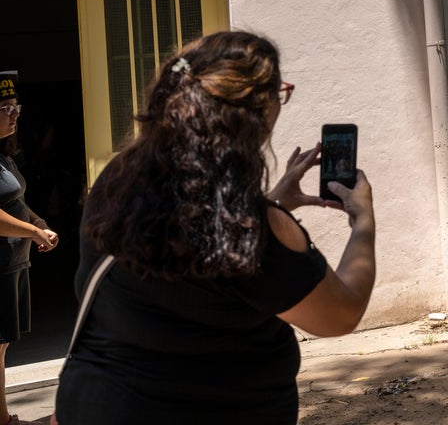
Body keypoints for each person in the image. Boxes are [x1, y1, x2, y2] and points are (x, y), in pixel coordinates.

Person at [53, 32, 376, 424]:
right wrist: (362, 221)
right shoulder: (246, 227)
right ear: (253, 112)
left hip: (97, 405)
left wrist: (273, 202)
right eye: (279, 93)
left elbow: (192, 242)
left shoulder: (117, 182)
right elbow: (341, 314)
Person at [0, 71, 58, 425]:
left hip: (12, 263)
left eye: (15, 106)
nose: (15, 113)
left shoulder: (5, 157)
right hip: (0, 265)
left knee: (1, 346)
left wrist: (39, 225)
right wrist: (33, 233)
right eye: (6, 107)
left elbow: (16, 204)